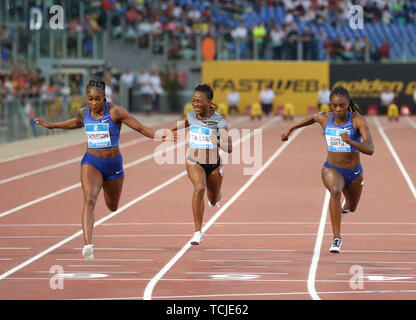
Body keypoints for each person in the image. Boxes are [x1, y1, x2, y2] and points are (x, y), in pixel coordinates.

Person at [35, 80, 172, 260]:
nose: (93, 103)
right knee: (90, 199)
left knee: (112, 206)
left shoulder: (116, 112)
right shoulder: (84, 112)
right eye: (90, 99)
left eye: (97, 99)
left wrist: (157, 136)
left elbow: (139, 127)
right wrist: (53, 126)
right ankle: (87, 245)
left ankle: (92, 234)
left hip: (113, 164)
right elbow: (75, 123)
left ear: (104, 97)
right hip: (91, 162)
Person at [281, 86, 374, 253]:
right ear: (330, 105)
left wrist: (351, 142)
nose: (338, 109)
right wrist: (291, 128)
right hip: (332, 169)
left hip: (354, 173)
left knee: (352, 206)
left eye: (342, 105)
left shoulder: (357, 120)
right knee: (335, 192)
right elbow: (312, 118)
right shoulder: (325, 118)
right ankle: (336, 238)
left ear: (348, 104)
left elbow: (370, 149)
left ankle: (345, 209)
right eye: (334, 105)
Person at [170, 83, 232, 245]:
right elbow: (184, 123)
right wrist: (168, 132)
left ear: (209, 101)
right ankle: (198, 232)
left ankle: (216, 197)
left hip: (213, 164)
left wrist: (218, 141)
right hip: (194, 160)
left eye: (199, 101)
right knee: (199, 187)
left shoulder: (219, 121)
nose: (195, 104)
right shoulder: (192, 115)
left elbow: (229, 147)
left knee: (212, 198)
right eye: (194, 101)